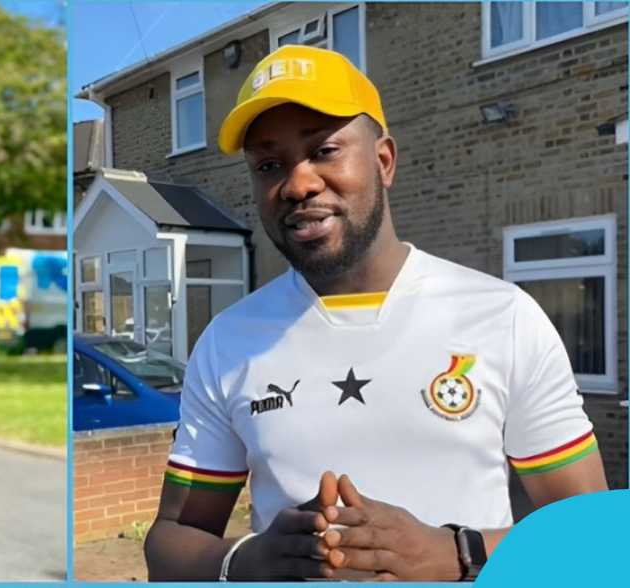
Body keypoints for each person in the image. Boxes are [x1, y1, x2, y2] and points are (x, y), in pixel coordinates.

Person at [143, 45, 608, 582]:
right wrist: (250, 560)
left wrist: (458, 553)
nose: (297, 184)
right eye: (269, 165)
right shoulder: (230, 340)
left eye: (323, 150)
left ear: (383, 161)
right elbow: (169, 543)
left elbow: (591, 538)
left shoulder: (503, 317)